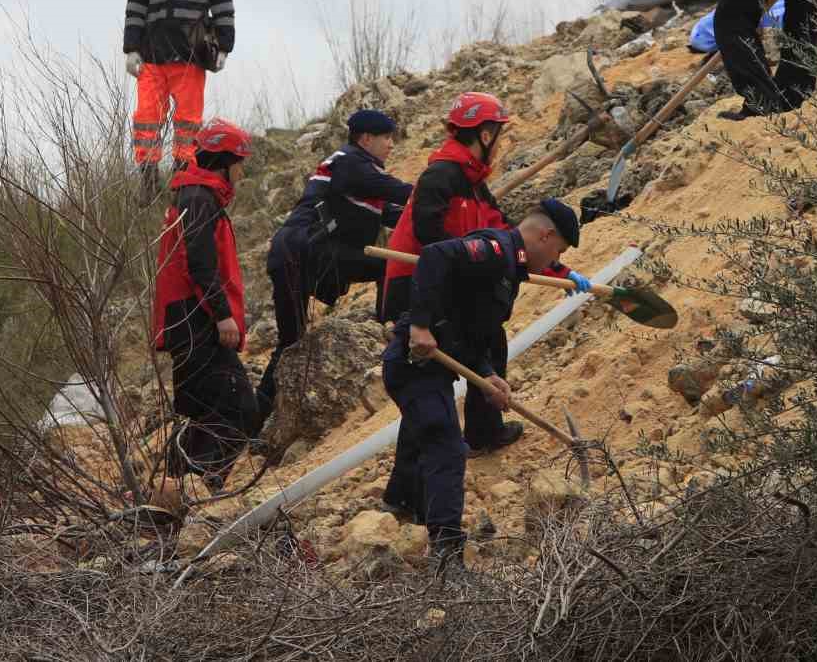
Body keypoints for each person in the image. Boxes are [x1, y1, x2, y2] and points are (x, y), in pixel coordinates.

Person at [379, 92, 591, 453]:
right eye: (499, 134)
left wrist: (561, 270)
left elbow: (509, 234)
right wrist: (471, 263)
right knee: (430, 380)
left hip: (450, 279)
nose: (500, 142)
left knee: (490, 339)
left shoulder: (474, 183)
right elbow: (429, 234)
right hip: (417, 285)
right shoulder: (441, 174)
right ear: (486, 135)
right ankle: (430, 461)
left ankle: (482, 433)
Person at [380, 200, 580, 572]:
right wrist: (420, 325)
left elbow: (472, 331)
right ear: (545, 235)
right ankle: (447, 559)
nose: (555, 261)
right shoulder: (494, 251)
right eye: (559, 251)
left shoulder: (510, 269)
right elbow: (434, 257)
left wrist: (487, 375)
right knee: (447, 446)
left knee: (425, 428)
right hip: (414, 362)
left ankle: (401, 502)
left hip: (434, 366)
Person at [255, 109, 414, 427]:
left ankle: (254, 417)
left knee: (290, 343)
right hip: (305, 251)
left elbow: (390, 213)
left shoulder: (352, 174)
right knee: (389, 264)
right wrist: (438, 194)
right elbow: (398, 192)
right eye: (386, 138)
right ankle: (392, 330)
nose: (391, 145)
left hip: (294, 253)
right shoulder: (351, 163)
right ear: (366, 139)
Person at [153, 118, 258, 489]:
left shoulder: (194, 194)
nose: (242, 172)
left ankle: (174, 494)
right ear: (225, 163)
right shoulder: (199, 197)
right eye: (239, 163)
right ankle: (199, 490)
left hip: (186, 320)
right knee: (239, 409)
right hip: (197, 321)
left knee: (203, 414)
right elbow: (199, 262)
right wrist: (223, 316)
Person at [123, 0, 237, 197]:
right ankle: (148, 186)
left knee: (187, 124)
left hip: (191, 58)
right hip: (152, 57)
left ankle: (182, 183)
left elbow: (223, 7)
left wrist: (224, 47)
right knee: (146, 120)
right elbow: (135, 8)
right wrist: (131, 49)